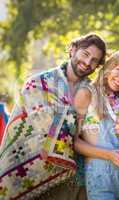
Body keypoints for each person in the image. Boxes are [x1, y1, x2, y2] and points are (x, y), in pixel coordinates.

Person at [0, 33, 106, 200]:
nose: (87, 63)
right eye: (85, 54)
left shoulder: (93, 94)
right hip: (31, 171)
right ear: (72, 50)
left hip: (76, 178)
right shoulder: (38, 83)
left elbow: (96, 130)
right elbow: (31, 129)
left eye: (94, 61)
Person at [73, 50, 119, 200]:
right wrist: (109, 155)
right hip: (101, 175)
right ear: (109, 66)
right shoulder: (87, 94)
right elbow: (74, 142)